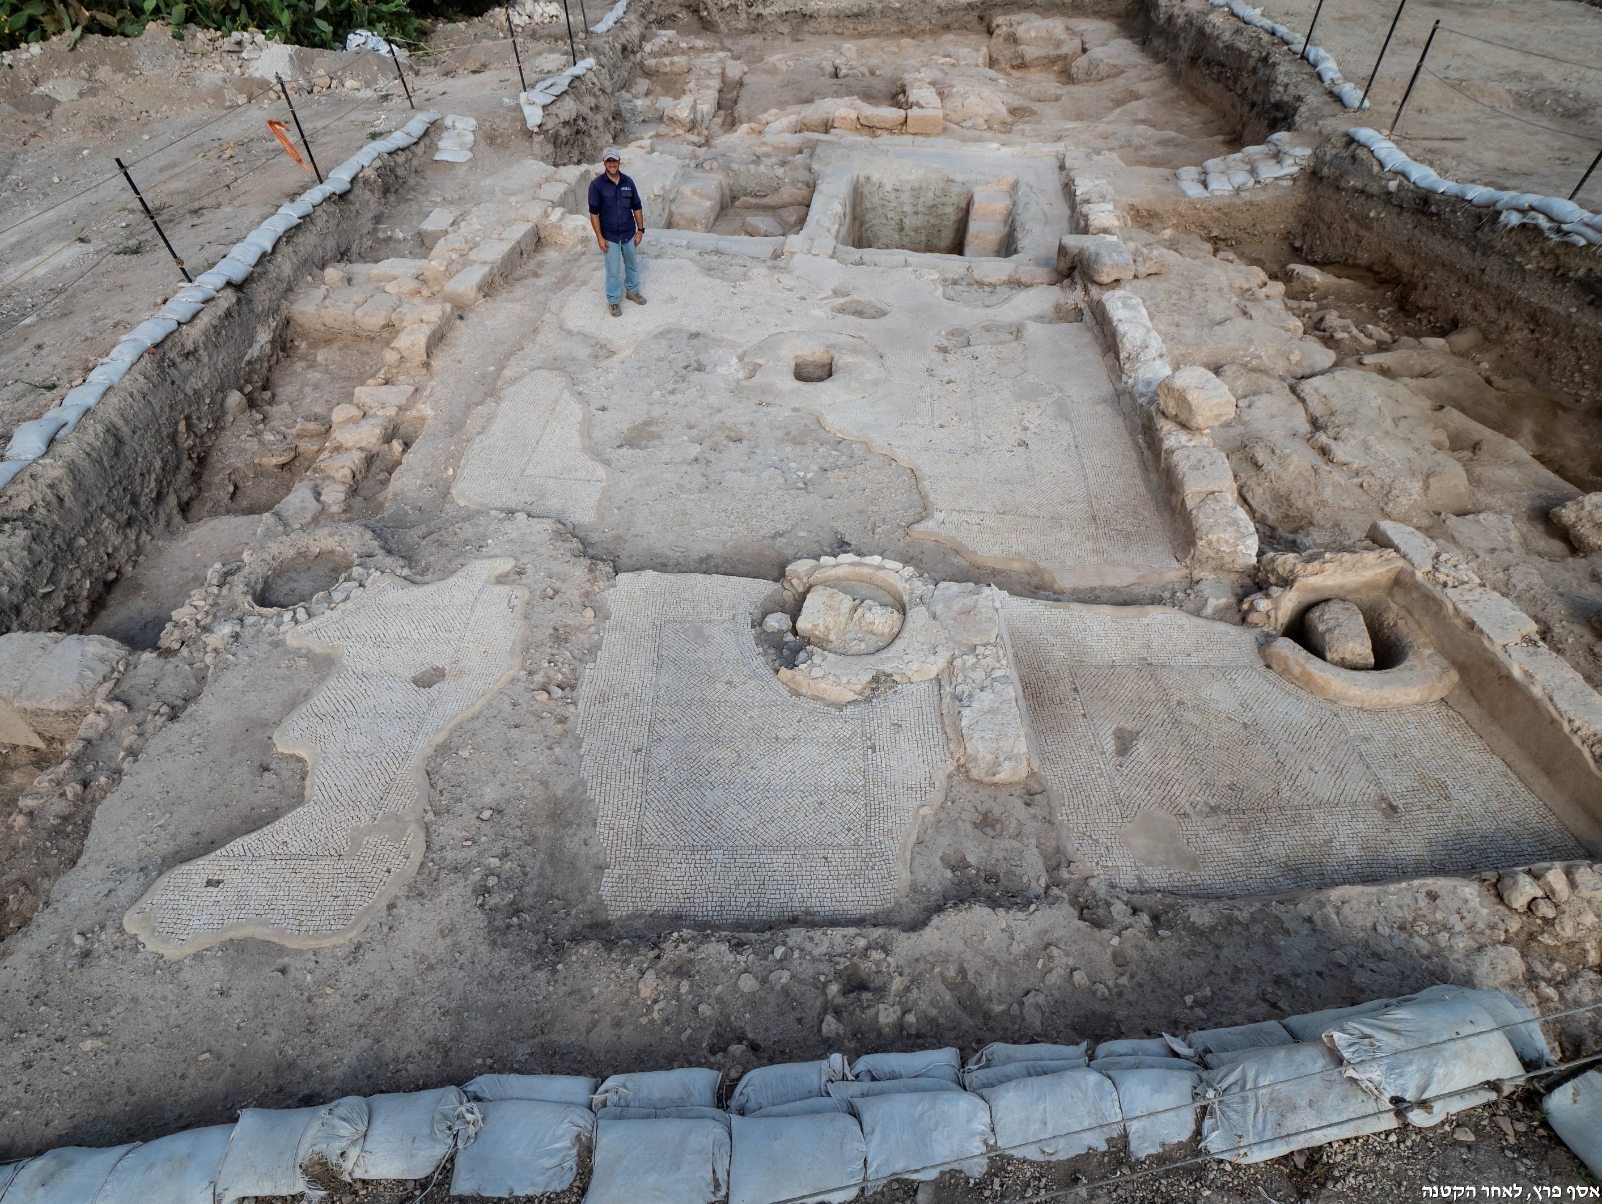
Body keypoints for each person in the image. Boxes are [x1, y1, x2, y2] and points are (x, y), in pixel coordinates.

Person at [588, 148, 647, 317]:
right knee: (613, 270)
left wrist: (640, 230)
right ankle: (613, 301)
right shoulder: (597, 185)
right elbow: (594, 213)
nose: (612, 164)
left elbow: (637, 206)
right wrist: (599, 237)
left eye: (615, 161)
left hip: (629, 233)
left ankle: (632, 291)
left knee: (632, 265)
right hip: (610, 236)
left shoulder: (628, 182)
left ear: (619, 162)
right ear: (604, 163)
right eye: (609, 161)